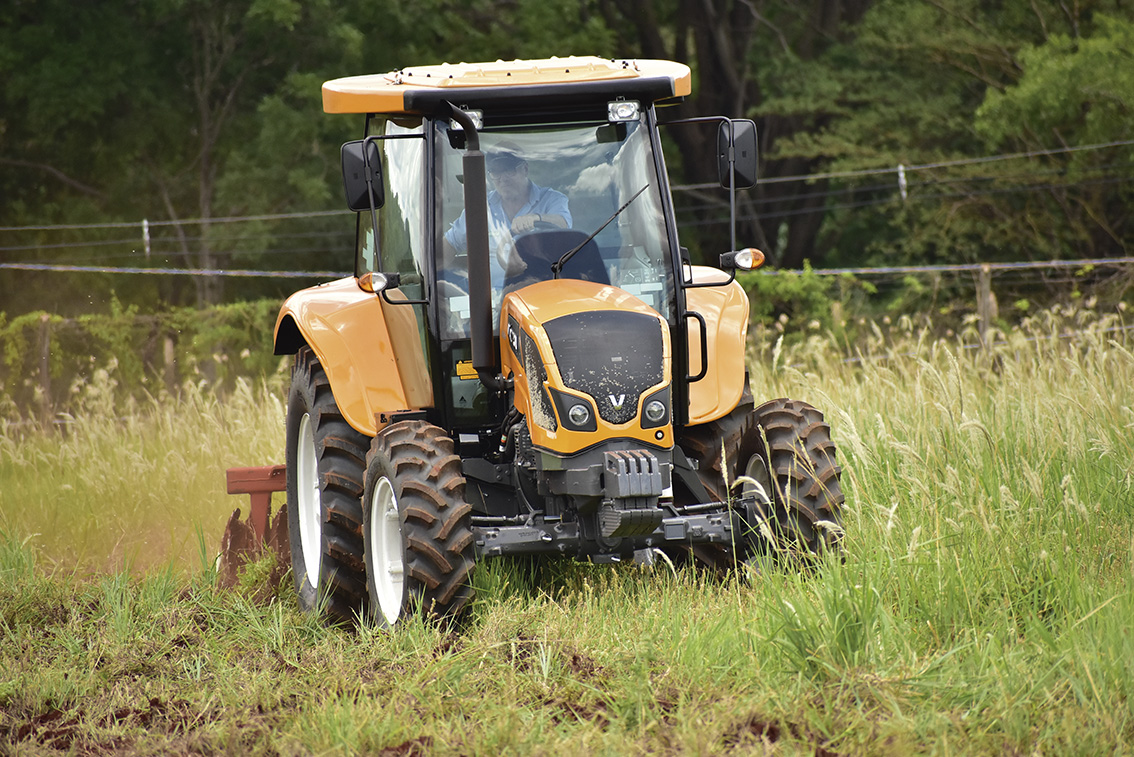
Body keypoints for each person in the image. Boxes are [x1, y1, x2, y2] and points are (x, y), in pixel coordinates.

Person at [442, 145, 572, 283]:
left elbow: (563, 223)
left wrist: (536, 218)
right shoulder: (480, 208)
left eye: (509, 170)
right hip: (489, 299)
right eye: (495, 172)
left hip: (541, 290)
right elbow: (447, 248)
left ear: (525, 169)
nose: (503, 179)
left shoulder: (552, 199)